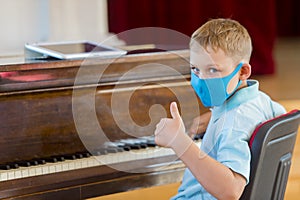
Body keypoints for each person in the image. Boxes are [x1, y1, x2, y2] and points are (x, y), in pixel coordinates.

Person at [154, 18, 286, 200]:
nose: (201, 79)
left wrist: (179, 142)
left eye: (213, 70)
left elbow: (231, 191)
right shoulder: (260, 100)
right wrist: (217, 115)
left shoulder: (233, 123)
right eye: (195, 69)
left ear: (242, 72)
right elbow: (281, 120)